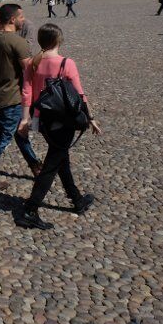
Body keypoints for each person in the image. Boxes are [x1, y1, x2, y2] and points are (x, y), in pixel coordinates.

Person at [15, 23, 101, 229]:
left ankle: (77, 200)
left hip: (42, 119)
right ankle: (30, 209)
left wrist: (25, 120)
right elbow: (79, 94)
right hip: (64, 120)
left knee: (60, 157)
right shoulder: (66, 63)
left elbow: (26, 93)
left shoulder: (31, 63)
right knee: (52, 165)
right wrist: (90, 118)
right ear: (58, 40)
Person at [0, 3, 41, 191]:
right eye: (21, 17)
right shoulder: (17, 42)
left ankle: (36, 166)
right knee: (2, 138)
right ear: (12, 19)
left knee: (19, 134)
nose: (24, 20)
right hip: (13, 97)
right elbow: (30, 72)